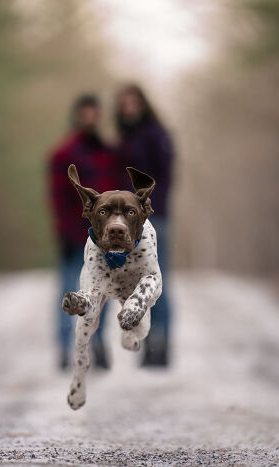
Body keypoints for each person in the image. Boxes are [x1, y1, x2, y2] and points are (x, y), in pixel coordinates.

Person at [48, 94, 117, 371]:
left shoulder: (109, 155)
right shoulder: (63, 155)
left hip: (104, 238)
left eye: (94, 113)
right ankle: (65, 349)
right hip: (74, 236)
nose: (90, 118)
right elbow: (57, 197)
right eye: (85, 113)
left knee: (102, 293)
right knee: (69, 291)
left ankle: (98, 344)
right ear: (77, 116)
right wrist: (64, 230)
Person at [114, 84, 174, 367]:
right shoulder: (124, 138)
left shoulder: (155, 134)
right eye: (124, 103)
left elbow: (167, 175)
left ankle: (161, 347)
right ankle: (149, 344)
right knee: (137, 284)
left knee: (158, 281)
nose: (129, 107)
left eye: (133, 102)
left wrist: (150, 208)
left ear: (143, 103)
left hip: (154, 218)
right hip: (126, 223)